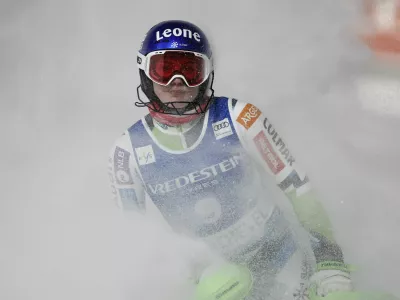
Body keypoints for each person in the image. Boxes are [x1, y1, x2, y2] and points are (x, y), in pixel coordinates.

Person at [108, 20, 353, 300]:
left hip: (280, 257)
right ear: (146, 74)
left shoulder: (241, 118)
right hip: (211, 281)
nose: (178, 83)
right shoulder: (126, 151)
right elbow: (133, 241)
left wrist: (330, 261)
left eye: (190, 70)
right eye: (165, 70)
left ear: (207, 73)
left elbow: (298, 187)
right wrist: (185, 277)